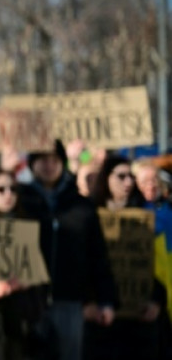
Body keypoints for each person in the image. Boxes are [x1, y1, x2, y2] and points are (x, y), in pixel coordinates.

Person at [17, 139, 117, 360]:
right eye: (43, 159)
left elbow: (98, 255)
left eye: (54, 159)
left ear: (62, 163)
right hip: (28, 300)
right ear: (32, 163)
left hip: (70, 302)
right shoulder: (18, 201)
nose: (49, 165)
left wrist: (105, 300)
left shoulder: (82, 205)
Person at [84, 154, 164, 360]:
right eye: (121, 176)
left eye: (131, 176)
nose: (128, 182)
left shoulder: (146, 216)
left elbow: (159, 265)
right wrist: (87, 303)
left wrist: (157, 300)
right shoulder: (88, 215)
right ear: (105, 179)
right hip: (101, 319)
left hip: (139, 319)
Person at [0, 169, 48, 360]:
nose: (8, 195)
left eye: (13, 189)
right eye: (1, 189)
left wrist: (29, 280)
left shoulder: (27, 225)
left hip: (23, 323)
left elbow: (40, 271)